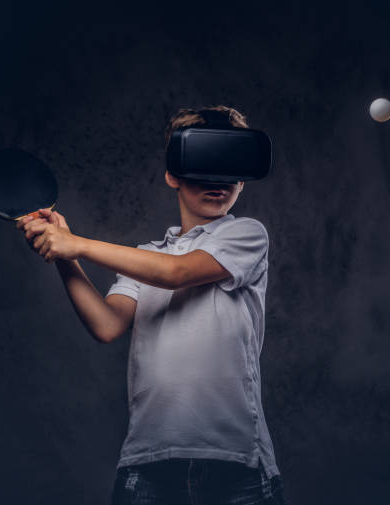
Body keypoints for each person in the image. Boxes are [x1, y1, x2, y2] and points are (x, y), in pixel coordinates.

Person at [17, 105, 286, 504]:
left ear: (244, 180)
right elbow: (107, 325)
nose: (218, 181)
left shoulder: (246, 235)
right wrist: (65, 255)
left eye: (230, 167)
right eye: (202, 165)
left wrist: (80, 244)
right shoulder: (145, 257)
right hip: (148, 465)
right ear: (172, 174)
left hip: (235, 463)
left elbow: (176, 272)